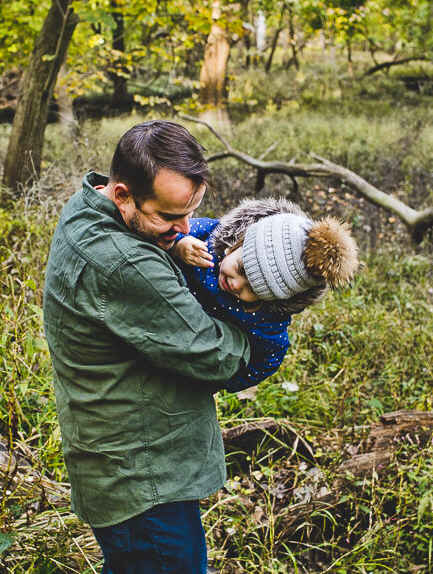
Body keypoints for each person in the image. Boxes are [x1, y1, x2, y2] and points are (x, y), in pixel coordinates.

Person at [42, 119, 252, 574]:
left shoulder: (86, 206)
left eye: (190, 210)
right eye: (168, 216)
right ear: (122, 194)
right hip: (143, 481)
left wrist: (172, 243)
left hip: (121, 468)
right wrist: (262, 318)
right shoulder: (124, 263)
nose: (185, 227)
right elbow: (219, 356)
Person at [172, 198, 359, 392]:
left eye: (253, 290)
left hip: (190, 355)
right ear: (239, 242)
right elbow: (167, 231)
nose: (236, 284)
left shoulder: (267, 321)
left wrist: (220, 382)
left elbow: (269, 359)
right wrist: (179, 245)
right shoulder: (209, 236)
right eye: (241, 269)